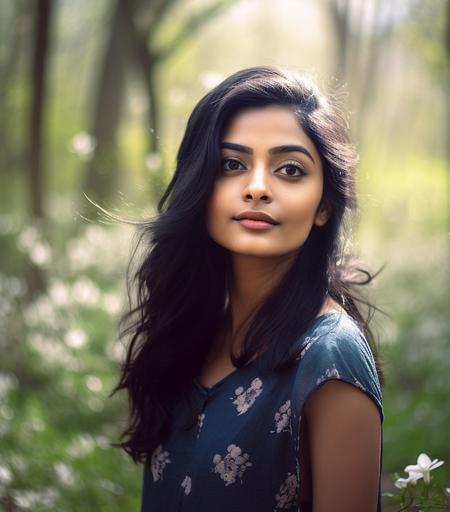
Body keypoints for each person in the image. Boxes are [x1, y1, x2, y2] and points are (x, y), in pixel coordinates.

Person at [111, 65, 385, 512]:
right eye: (232, 164)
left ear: (323, 207)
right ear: (201, 186)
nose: (257, 188)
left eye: (290, 170)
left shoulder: (329, 356)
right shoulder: (195, 334)